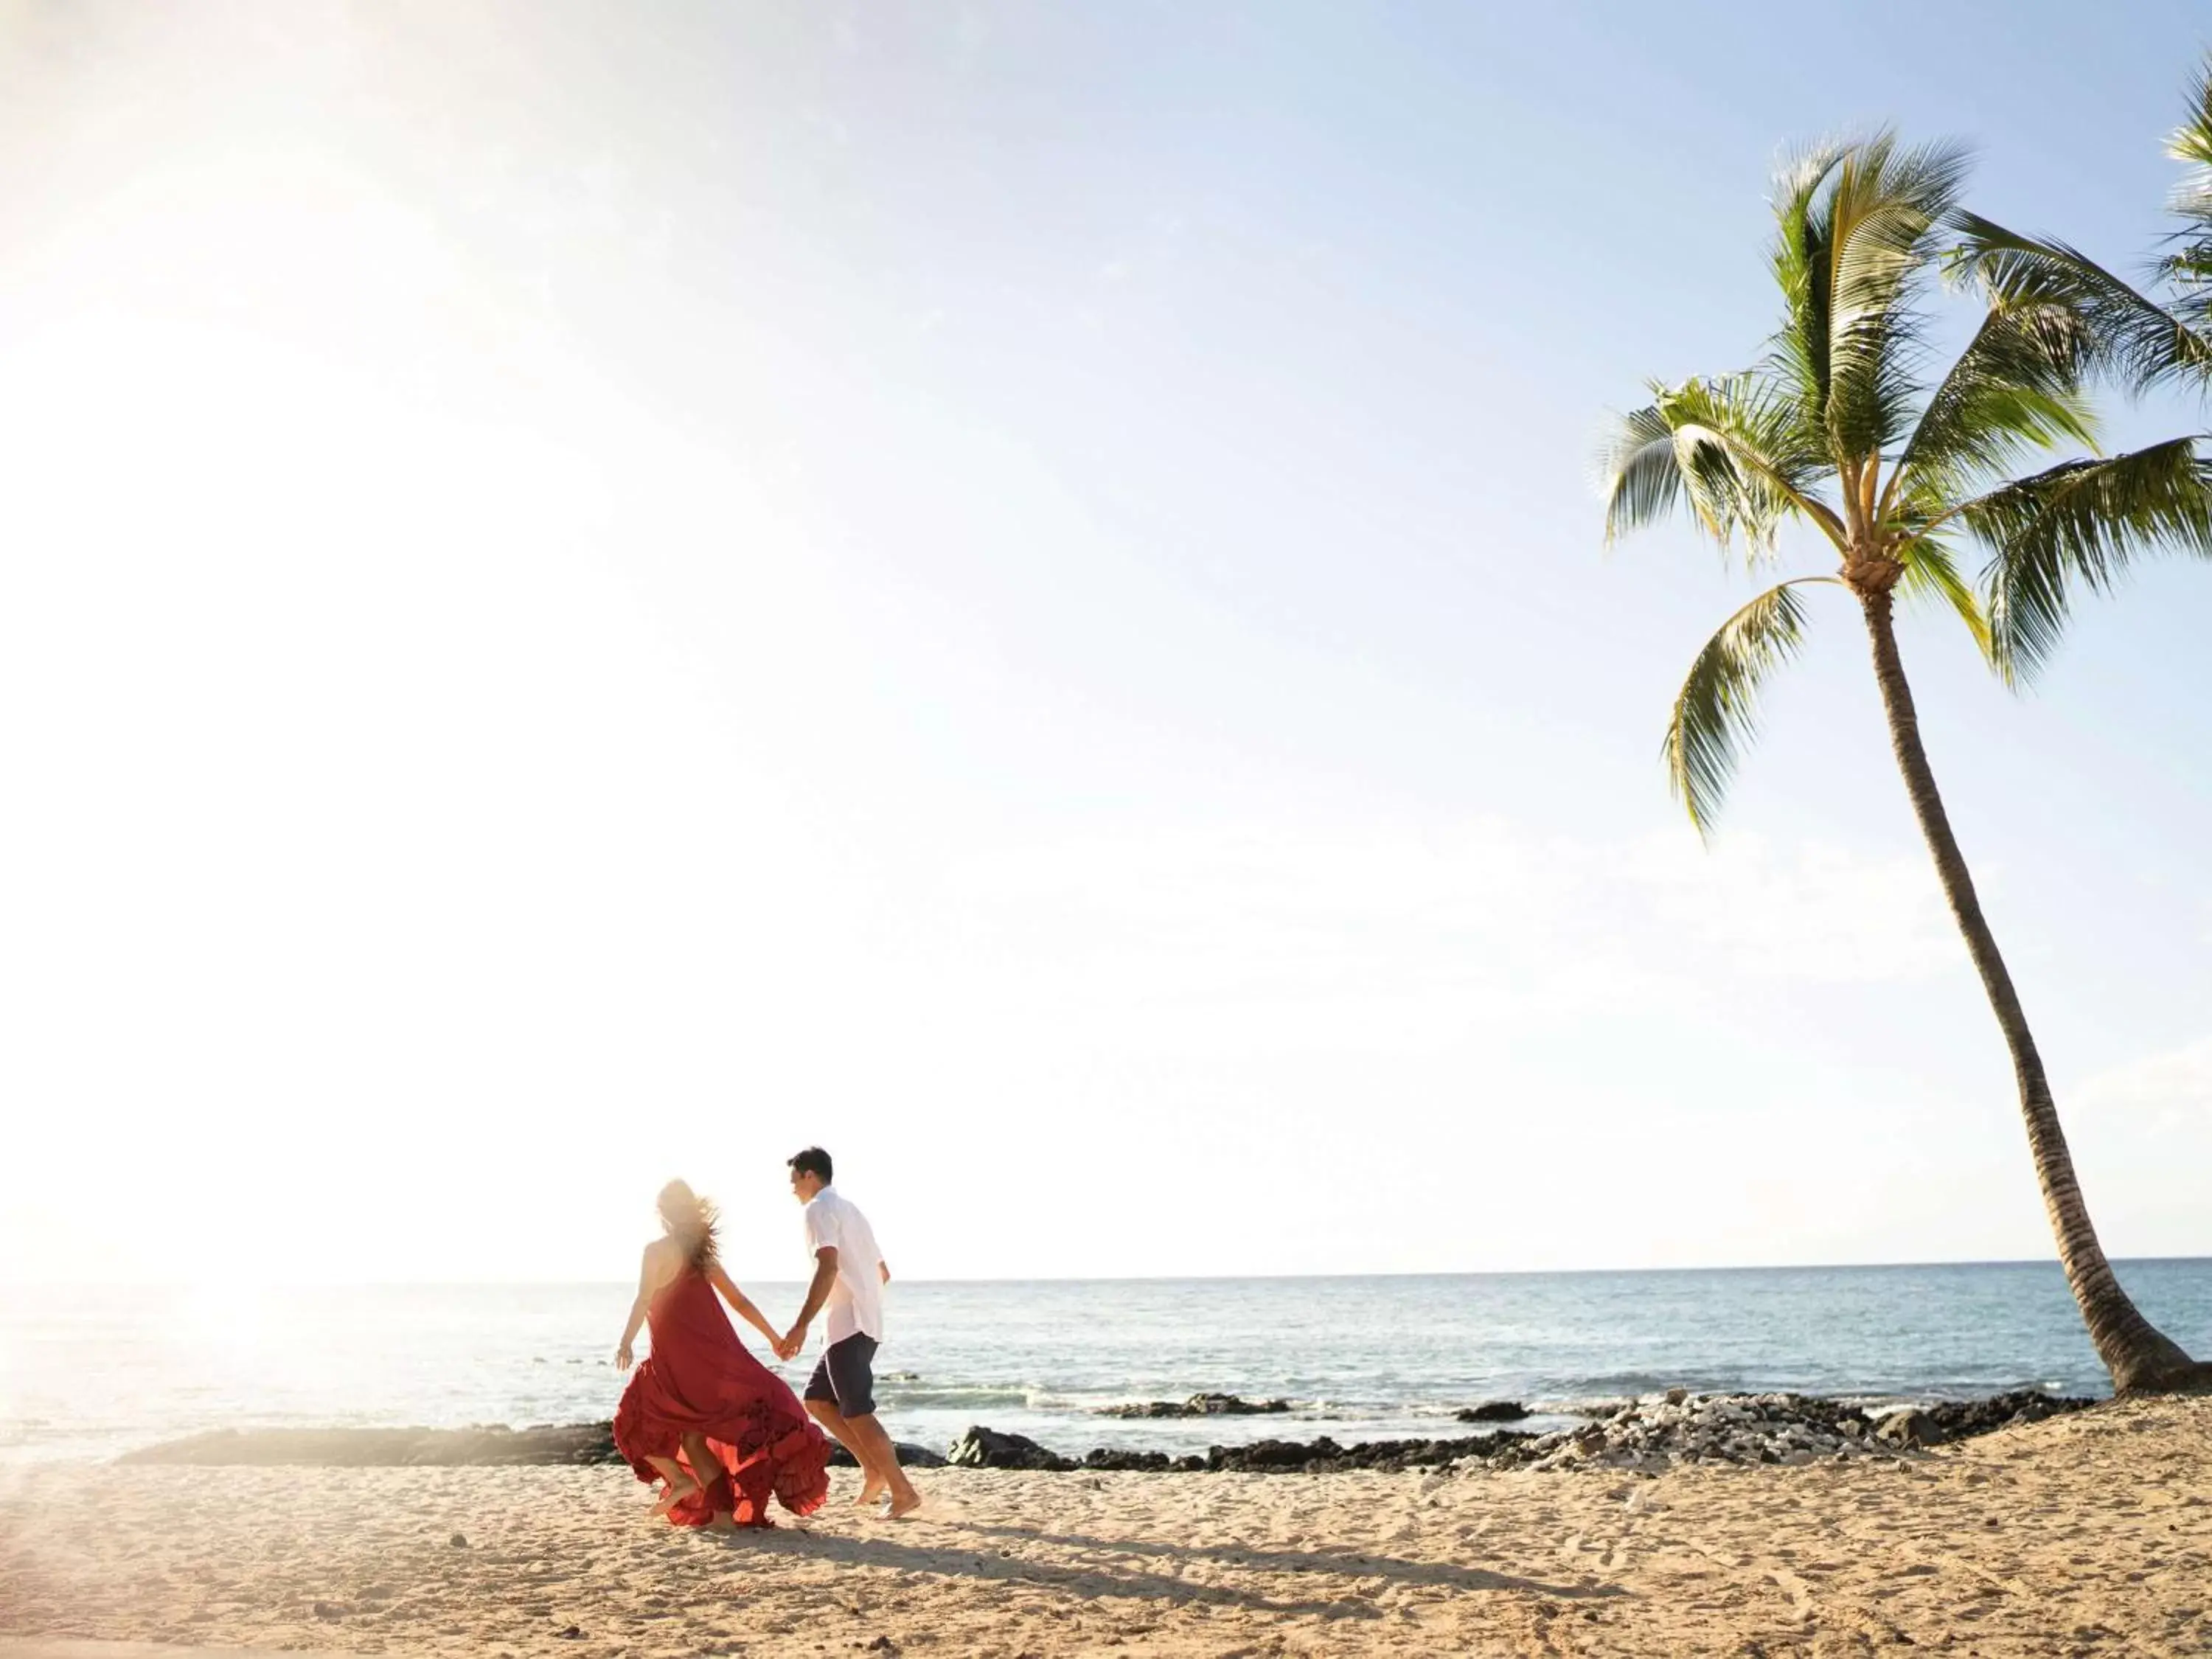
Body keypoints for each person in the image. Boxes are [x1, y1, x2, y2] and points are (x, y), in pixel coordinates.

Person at [612, 1180, 832, 1530]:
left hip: (675, 1364)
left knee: (631, 1422)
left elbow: (642, 1299)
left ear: (663, 1214)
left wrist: (625, 1342)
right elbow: (740, 1302)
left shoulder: (656, 1251)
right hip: (712, 1365)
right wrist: (774, 1337)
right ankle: (722, 1517)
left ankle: (684, 1484)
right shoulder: (701, 1257)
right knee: (693, 1438)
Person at [775, 1147, 921, 1517]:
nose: (792, 1189)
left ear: (810, 1176)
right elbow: (882, 1273)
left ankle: (903, 1491)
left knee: (857, 1412)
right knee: (818, 1401)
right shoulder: (852, 1211)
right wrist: (863, 1301)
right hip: (862, 1323)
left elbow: (827, 1267)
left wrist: (801, 1324)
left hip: (849, 1325)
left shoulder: (818, 1209)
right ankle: (873, 1471)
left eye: (794, 1180)